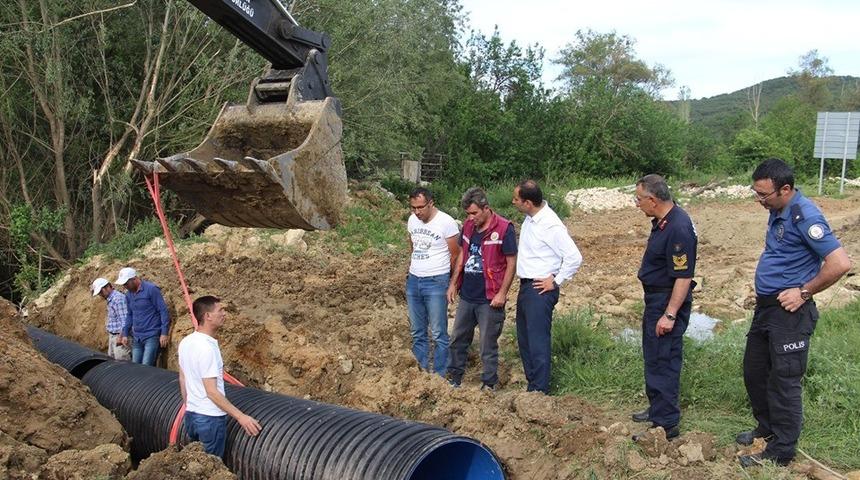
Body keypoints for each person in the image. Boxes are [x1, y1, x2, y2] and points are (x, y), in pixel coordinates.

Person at [737, 158, 851, 468]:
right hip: (767, 310)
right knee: (755, 371)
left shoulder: (806, 215)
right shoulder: (778, 210)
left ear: (785, 189)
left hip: (790, 314)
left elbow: (840, 263)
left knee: (784, 380)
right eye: (756, 193)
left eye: (764, 195)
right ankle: (768, 429)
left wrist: (805, 291)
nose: (759, 200)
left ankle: (782, 451)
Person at [630, 174, 697, 441]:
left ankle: (666, 424)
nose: (637, 204)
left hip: (667, 300)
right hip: (656, 298)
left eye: (639, 199)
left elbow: (683, 276)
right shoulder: (662, 221)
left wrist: (670, 314)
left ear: (653, 200)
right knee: (654, 356)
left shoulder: (678, 227)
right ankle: (657, 408)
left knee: (664, 360)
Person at [512, 180, 582, 394]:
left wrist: (556, 280)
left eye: (516, 199)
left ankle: (540, 391)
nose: (513, 202)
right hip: (526, 286)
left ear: (528, 203)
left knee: (537, 340)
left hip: (540, 289)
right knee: (524, 338)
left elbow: (574, 257)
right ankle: (532, 385)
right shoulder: (530, 218)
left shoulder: (550, 225)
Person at [446, 187, 517, 390]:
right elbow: (462, 255)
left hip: (489, 296)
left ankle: (489, 383)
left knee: (488, 344)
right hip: (468, 294)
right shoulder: (468, 227)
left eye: (474, 213)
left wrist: (502, 293)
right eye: (468, 213)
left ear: (486, 208)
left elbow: (511, 263)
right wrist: (453, 283)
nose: (470, 218)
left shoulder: (504, 229)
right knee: (458, 338)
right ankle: (454, 377)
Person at [178, 296, 261, 457]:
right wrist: (241, 417)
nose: (224, 314)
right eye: (220, 310)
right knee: (211, 467)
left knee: (196, 463)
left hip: (192, 417)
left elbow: (183, 378)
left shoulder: (186, 342)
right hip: (210, 419)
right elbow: (212, 392)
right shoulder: (207, 348)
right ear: (208, 316)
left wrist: (190, 405)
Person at [406, 187, 460, 376]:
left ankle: (440, 375)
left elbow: (455, 255)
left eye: (420, 207)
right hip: (414, 280)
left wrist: (451, 282)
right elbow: (412, 246)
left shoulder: (446, 223)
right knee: (417, 331)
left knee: (438, 332)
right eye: (413, 207)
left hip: (436, 280)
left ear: (431, 203)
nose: (417, 212)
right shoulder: (412, 220)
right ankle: (419, 373)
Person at [117, 267, 171, 367]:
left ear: (134, 279)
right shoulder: (129, 295)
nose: (125, 286)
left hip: (152, 335)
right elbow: (130, 315)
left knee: (147, 367)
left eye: (126, 283)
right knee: (136, 367)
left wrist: (164, 333)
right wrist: (125, 334)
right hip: (137, 337)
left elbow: (163, 310)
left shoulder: (151, 289)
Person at [91, 277, 131, 361]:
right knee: (113, 362)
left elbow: (124, 320)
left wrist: (121, 336)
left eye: (101, 292)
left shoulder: (118, 299)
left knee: (122, 362)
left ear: (107, 287)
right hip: (113, 335)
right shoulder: (111, 299)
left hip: (120, 336)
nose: (100, 295)